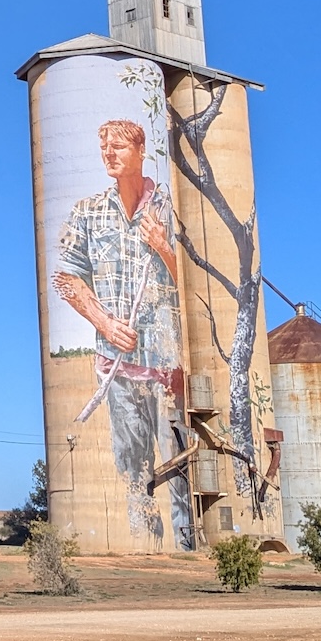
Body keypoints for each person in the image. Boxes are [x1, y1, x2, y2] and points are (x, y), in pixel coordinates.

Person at [52, 118, 194, 547]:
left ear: (140, 151)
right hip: (116, 369)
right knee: (133, 468)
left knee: (179, 464)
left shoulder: (170, 205)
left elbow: (194, 282)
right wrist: (105, 324)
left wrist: (165, 249)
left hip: (166, 366)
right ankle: (144, 549)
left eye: (119, 147)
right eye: (104, 148)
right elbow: (67, 279)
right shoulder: (88, 212)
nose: (110, 154)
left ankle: (187, 546)